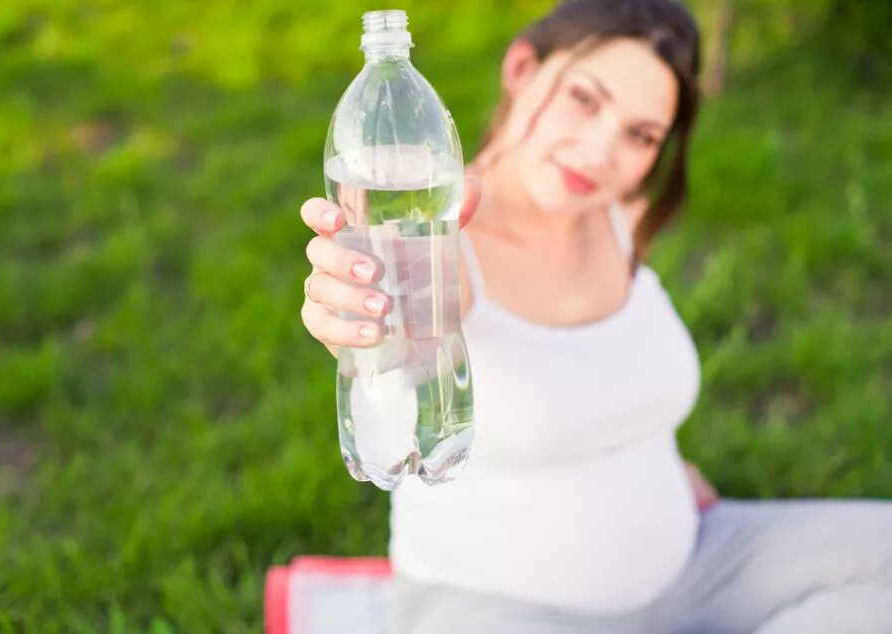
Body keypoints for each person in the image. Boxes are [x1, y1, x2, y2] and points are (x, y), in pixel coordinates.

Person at [298, 1, 892, 632]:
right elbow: (397, 324)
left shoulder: (617, 212)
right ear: (523, 70)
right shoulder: (444, 247)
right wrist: (362, 316)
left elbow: (605, 369)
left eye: (641, 134)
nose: (602, 150)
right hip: (497, 608)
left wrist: (651, 465)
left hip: (696, 568)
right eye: (585, 98)